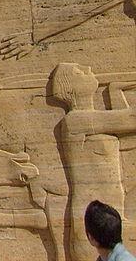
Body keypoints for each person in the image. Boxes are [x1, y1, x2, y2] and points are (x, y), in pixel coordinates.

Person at [51, 64, 136, 261]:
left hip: (110, 218)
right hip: (92, 223)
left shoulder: (94, 120)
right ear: (70, 88)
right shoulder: (76, 120)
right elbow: (130, 119)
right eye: (79, 72)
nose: (88, 68)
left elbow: (121, 124)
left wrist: (114, 90)